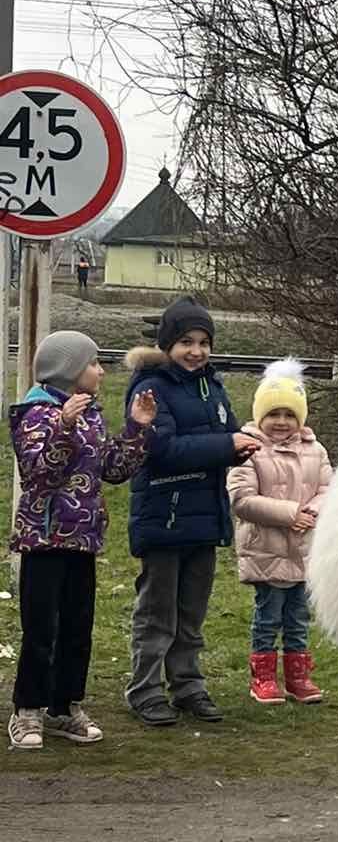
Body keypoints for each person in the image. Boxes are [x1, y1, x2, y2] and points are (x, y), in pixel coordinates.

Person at [8, 332, 156, 750]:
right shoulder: (34, 414)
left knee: (77, 627)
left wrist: (137, 429)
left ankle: (64, 707)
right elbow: (39, 474)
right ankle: (28, 709)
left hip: (83, 539)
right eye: (93, 363)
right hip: (44, 539)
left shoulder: (90, 413)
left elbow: (110, 468)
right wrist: (64, 428)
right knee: (42, 628)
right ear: (70, 370)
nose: (101, 371)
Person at [124, 297, 259, 727]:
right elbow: (160, 450)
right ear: (168, 344)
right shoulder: (150, 387)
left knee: (192, 613)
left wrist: (240, 447)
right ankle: (145, 689)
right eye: (186, 342)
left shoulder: (212, 387)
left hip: (204, 516)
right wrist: (225, 446)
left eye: (203, 342)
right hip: (163, 516)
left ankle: (187, 685)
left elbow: (225, 434)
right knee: (157, 613)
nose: (196, 351)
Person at [229, 359, 332, 705]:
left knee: (299, 618)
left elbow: (328, 489)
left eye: (289, 415)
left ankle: (299, 675)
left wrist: (311, 513)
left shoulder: (315, 450)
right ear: (260, 416)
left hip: (303, 549)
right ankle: (263, 677)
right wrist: (290, 514)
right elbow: (242, 499)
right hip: (267, 548)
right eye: (274, 414)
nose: (282, 422)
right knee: (268, 616)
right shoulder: (247, 449)